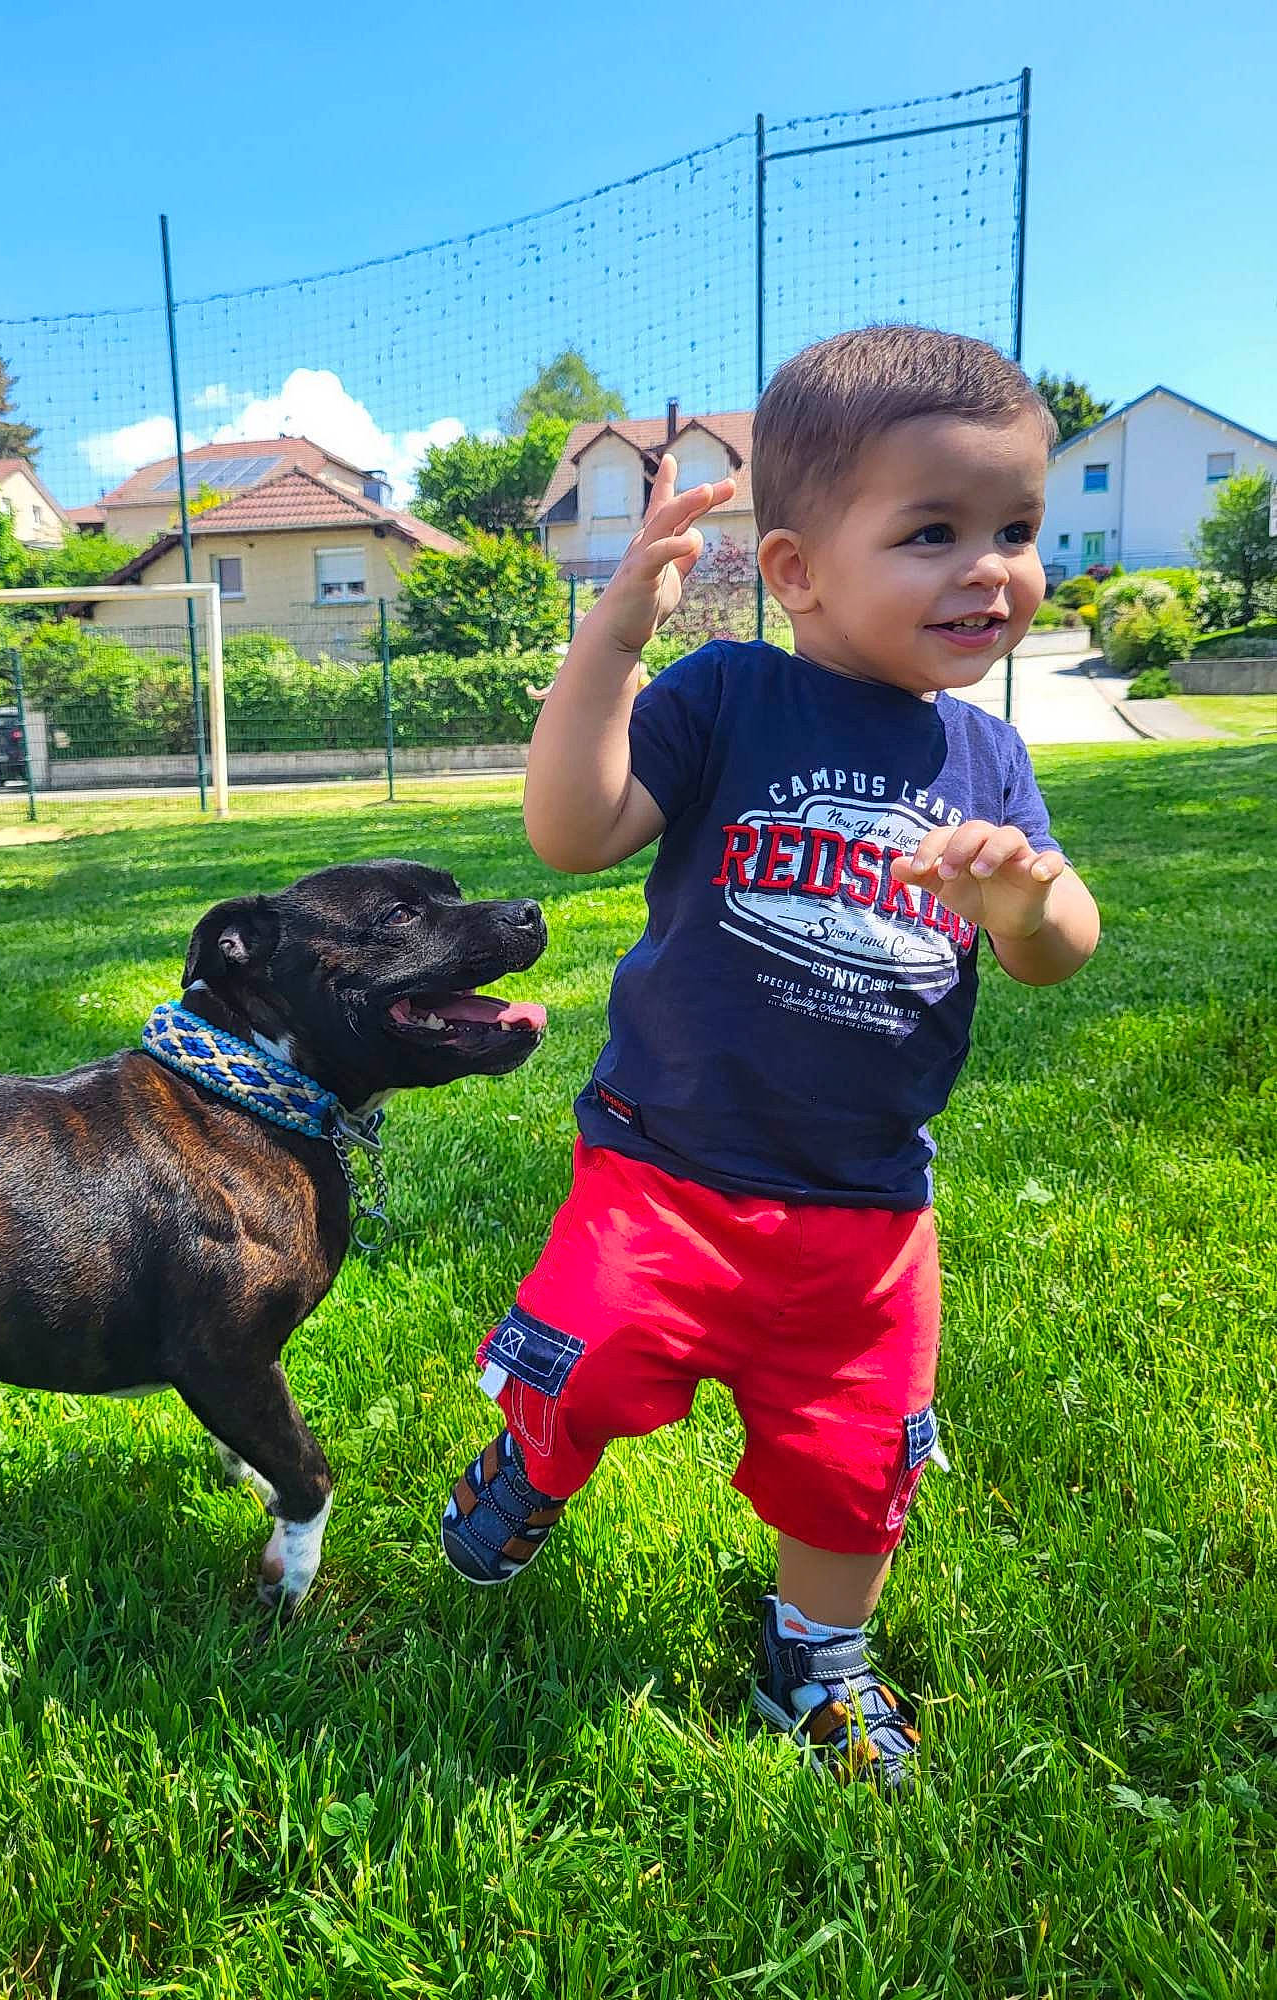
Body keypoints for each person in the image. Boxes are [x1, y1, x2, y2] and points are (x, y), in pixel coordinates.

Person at [440, 325, 1101, 1788]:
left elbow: (1061, 949)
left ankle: (816, 1660)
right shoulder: (730, 697)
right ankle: (531, 1463)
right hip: (664, 1169)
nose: (991, 570)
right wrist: (613, 642)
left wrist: (1027, 905)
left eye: (1016, 531)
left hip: (867, 1208)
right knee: (587, 1367)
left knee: (859, 1456)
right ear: (795, 570)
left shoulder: (988, 762)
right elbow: (573, 831)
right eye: (933, 533)